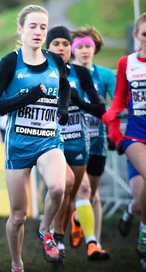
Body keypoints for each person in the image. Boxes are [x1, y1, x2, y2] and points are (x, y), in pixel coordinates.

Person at [0, 5, 70, 272]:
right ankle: (17, 263)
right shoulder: (11, 62)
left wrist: (62, 108)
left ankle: (45, 231)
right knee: (18, 216)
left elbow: (64, 85)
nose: (38, 32)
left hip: (48, 139)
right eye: (32, 26)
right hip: (18, 146)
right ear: (20, 30)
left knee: (57, 188)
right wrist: (26, 98)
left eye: (43, 27)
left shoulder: (55, 60)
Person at [46, 26, 109, 261]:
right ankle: (56, 238)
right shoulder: (41, 73)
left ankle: (62, 235)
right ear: (48, 47)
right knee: (62, 189)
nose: (61, 48)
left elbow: (100, 109)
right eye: (56, 44)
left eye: (65, 44)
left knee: (74, 194)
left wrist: (77, 101)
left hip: (78, 142)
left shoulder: (80, 74)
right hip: (51, 144)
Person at [102, 12, 146, 259]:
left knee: (141, 203)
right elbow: (119, 98)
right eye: (145, 34)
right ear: (136, 35)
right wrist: (112, 115)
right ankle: (144, 235)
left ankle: (131, 212)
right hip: (136, 138)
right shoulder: (126, 63)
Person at [70, 26, 116, 245]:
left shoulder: (105, 75)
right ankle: (90, 242)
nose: (85, 51)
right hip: (73, 144)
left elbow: (117, 105)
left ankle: (94, 240)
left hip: (98, 142)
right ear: (72, 49)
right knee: (83, 189)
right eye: (79, 47)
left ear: (95, 47)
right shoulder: (65, 73)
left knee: (92, 195)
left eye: (88, 46)